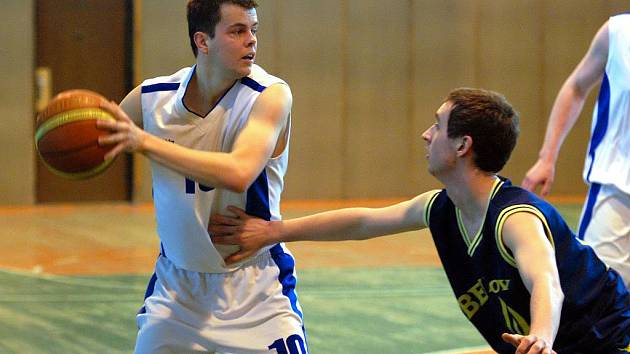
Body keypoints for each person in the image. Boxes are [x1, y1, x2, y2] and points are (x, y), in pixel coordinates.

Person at [209, 88, 630, 353]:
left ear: (463, 145)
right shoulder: (443, 207)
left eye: (438, 125)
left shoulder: (514, 217)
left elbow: (547, 285)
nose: (426, 135)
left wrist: (540, 336)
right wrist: (274, 231)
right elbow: (364, 222)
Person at [97, 1, 307, 353]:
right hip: (178, 289)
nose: (251, 41)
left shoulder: (269, 96)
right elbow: (97, 138)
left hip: (254, 290)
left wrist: (146, 143)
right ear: (203, 41)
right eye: (237, 31)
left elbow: (240, 173)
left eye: (253, 30)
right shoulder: (152, 98)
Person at [521, 14, 630, 288]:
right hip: (617, 186)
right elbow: (576, 86)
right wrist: (547, 157)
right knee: (599, 293)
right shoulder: (618, 31)